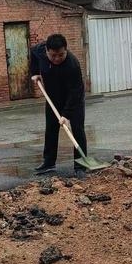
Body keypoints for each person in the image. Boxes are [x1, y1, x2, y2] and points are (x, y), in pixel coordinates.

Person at [30, 34, 87, 177]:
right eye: (53, 55)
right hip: (52, 99)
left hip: (73, 100)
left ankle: (80, 166)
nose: (57, 58)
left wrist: (66, 115)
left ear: (66, 50)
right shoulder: (40, 50)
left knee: (78, 130)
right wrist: (35, 72)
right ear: (47, 51)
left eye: (61, 55)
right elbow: (33, 53)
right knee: (50, 129)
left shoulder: (72, 65)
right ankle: (49, 163)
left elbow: (76, 92)